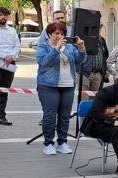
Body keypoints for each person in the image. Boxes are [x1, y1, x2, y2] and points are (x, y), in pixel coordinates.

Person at [36, 22, 86, 156]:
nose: (60, 36)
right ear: (49, 34)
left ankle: (62, 142)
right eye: (57, 33)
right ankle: (48, 143)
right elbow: (44, 62)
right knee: (50, 115)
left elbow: (79, 60)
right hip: (48, 85)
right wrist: (56, 48)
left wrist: (81, 49)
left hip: (68, 85)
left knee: (65, 116)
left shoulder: (69, 47)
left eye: (62, 34)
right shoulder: (43, 46)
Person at [81, 24, 109, 92]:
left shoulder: (102, 40)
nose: (99, 30)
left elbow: (105, 56)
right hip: (86, 73)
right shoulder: (84, 39)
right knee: (85, 98)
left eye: (100, 28)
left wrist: (105, 70)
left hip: (98, 74)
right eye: (97, 28)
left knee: (95, 98)